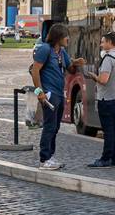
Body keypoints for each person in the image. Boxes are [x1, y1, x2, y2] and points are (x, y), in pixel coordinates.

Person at [31, 23, 84, 169]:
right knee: (49, 126)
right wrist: (39, 92)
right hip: (49, 93)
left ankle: (50, 156)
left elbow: (70, 69)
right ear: (58, 37)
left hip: (59, 94)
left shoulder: (61, 52)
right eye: (65, 36)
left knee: (55, 126)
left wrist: (77, 64)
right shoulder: (45, 50)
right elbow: (35, 71)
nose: (68, 38)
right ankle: (44, 159)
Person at [83, 31, 115, 168]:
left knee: (108, 130)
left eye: (103, 41)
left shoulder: (109, 59)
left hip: (107, 98)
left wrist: (93, 76)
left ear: (110, 42)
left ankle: (106, 158)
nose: (101, 44)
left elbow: (103, 80)